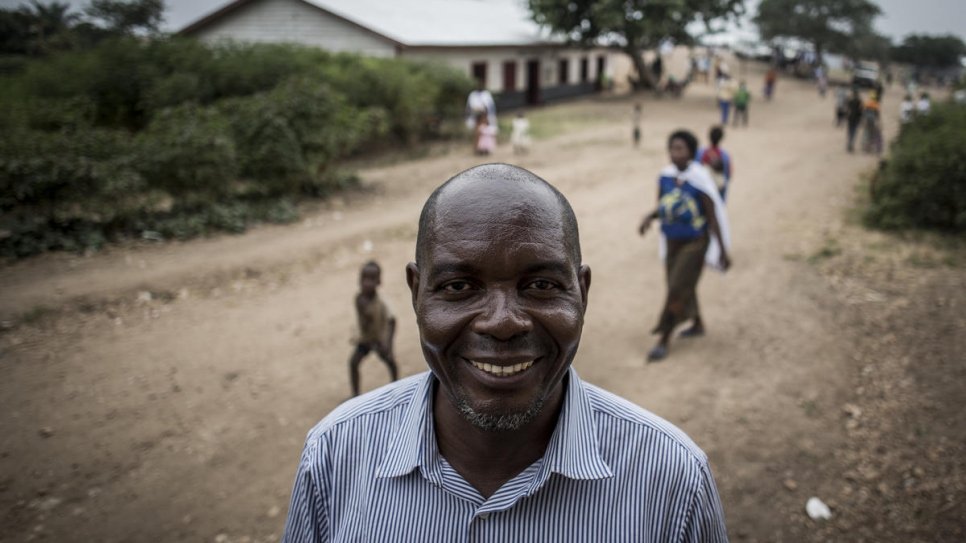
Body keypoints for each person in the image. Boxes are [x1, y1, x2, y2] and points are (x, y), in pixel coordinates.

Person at [282, 164, 729, 542]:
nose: (501, 322)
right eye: (459, 287)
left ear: (582, 294)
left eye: (541, 286)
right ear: (417, 294)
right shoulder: (335, 457)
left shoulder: (672, 484)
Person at [639, 131, 731, 363]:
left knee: (676, 288)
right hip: (672, 243)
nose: (674, 153)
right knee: (679, 283)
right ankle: (697, 323)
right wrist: (649, 217)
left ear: (691, 151)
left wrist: (722, 250)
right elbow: (664, 206)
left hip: (695, 243)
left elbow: (712, 217)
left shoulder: (699, 178)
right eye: (672, 148)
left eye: (680, 148)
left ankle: (664, 338)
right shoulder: (664, 177)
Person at [347, 261, 398, 397]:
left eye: (371, 279)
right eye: (364, 279)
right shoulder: (359, 299)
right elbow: (364, 319)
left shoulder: (381, 302)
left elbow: (392, 320)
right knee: (353, 363)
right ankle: (355, 395)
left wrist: (388, 344)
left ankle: (396, 386)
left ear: (379, 281)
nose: (366, 283)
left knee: (390, 362)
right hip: (365, 339)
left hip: (379, 340)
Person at [697, 126, 733, 200]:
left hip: (702, 186)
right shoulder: (724, 155)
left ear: (709, 136)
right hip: (718, 188)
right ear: (721, 138)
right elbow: (728, 174)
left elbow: (695, 168)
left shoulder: (700, 152)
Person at [845, 89, 864, 153]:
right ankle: (851, 144)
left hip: (850, 118)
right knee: (854, 132)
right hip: (856, 119)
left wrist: (846, 116)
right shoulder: (859, 101)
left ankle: (849, 144)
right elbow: (861, 111)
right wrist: (861, 119)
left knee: (850, 132)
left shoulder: (850, 100)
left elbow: (847, 109)